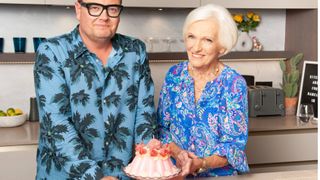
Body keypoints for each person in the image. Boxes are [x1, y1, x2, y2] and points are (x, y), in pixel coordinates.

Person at [34, 0, 156, 179]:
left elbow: (144, 112)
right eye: (95, 7)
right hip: (65, 175)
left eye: (112, 9)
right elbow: (57, 123)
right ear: (78, 9)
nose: (104, 16)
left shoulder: (135, 51)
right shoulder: (51, 52)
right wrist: (95, 176)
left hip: (122, 173)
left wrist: (150, 161)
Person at [157, 4, 249, 178]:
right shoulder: (174, 75)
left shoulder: (233, 84)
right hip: (175, 174)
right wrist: (179, 154)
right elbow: (162, 129)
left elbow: (234, 147)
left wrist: (201, 163)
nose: (196, 47)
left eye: (207, 40)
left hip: (218, 176)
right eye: (191, 37)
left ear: (222, 47)